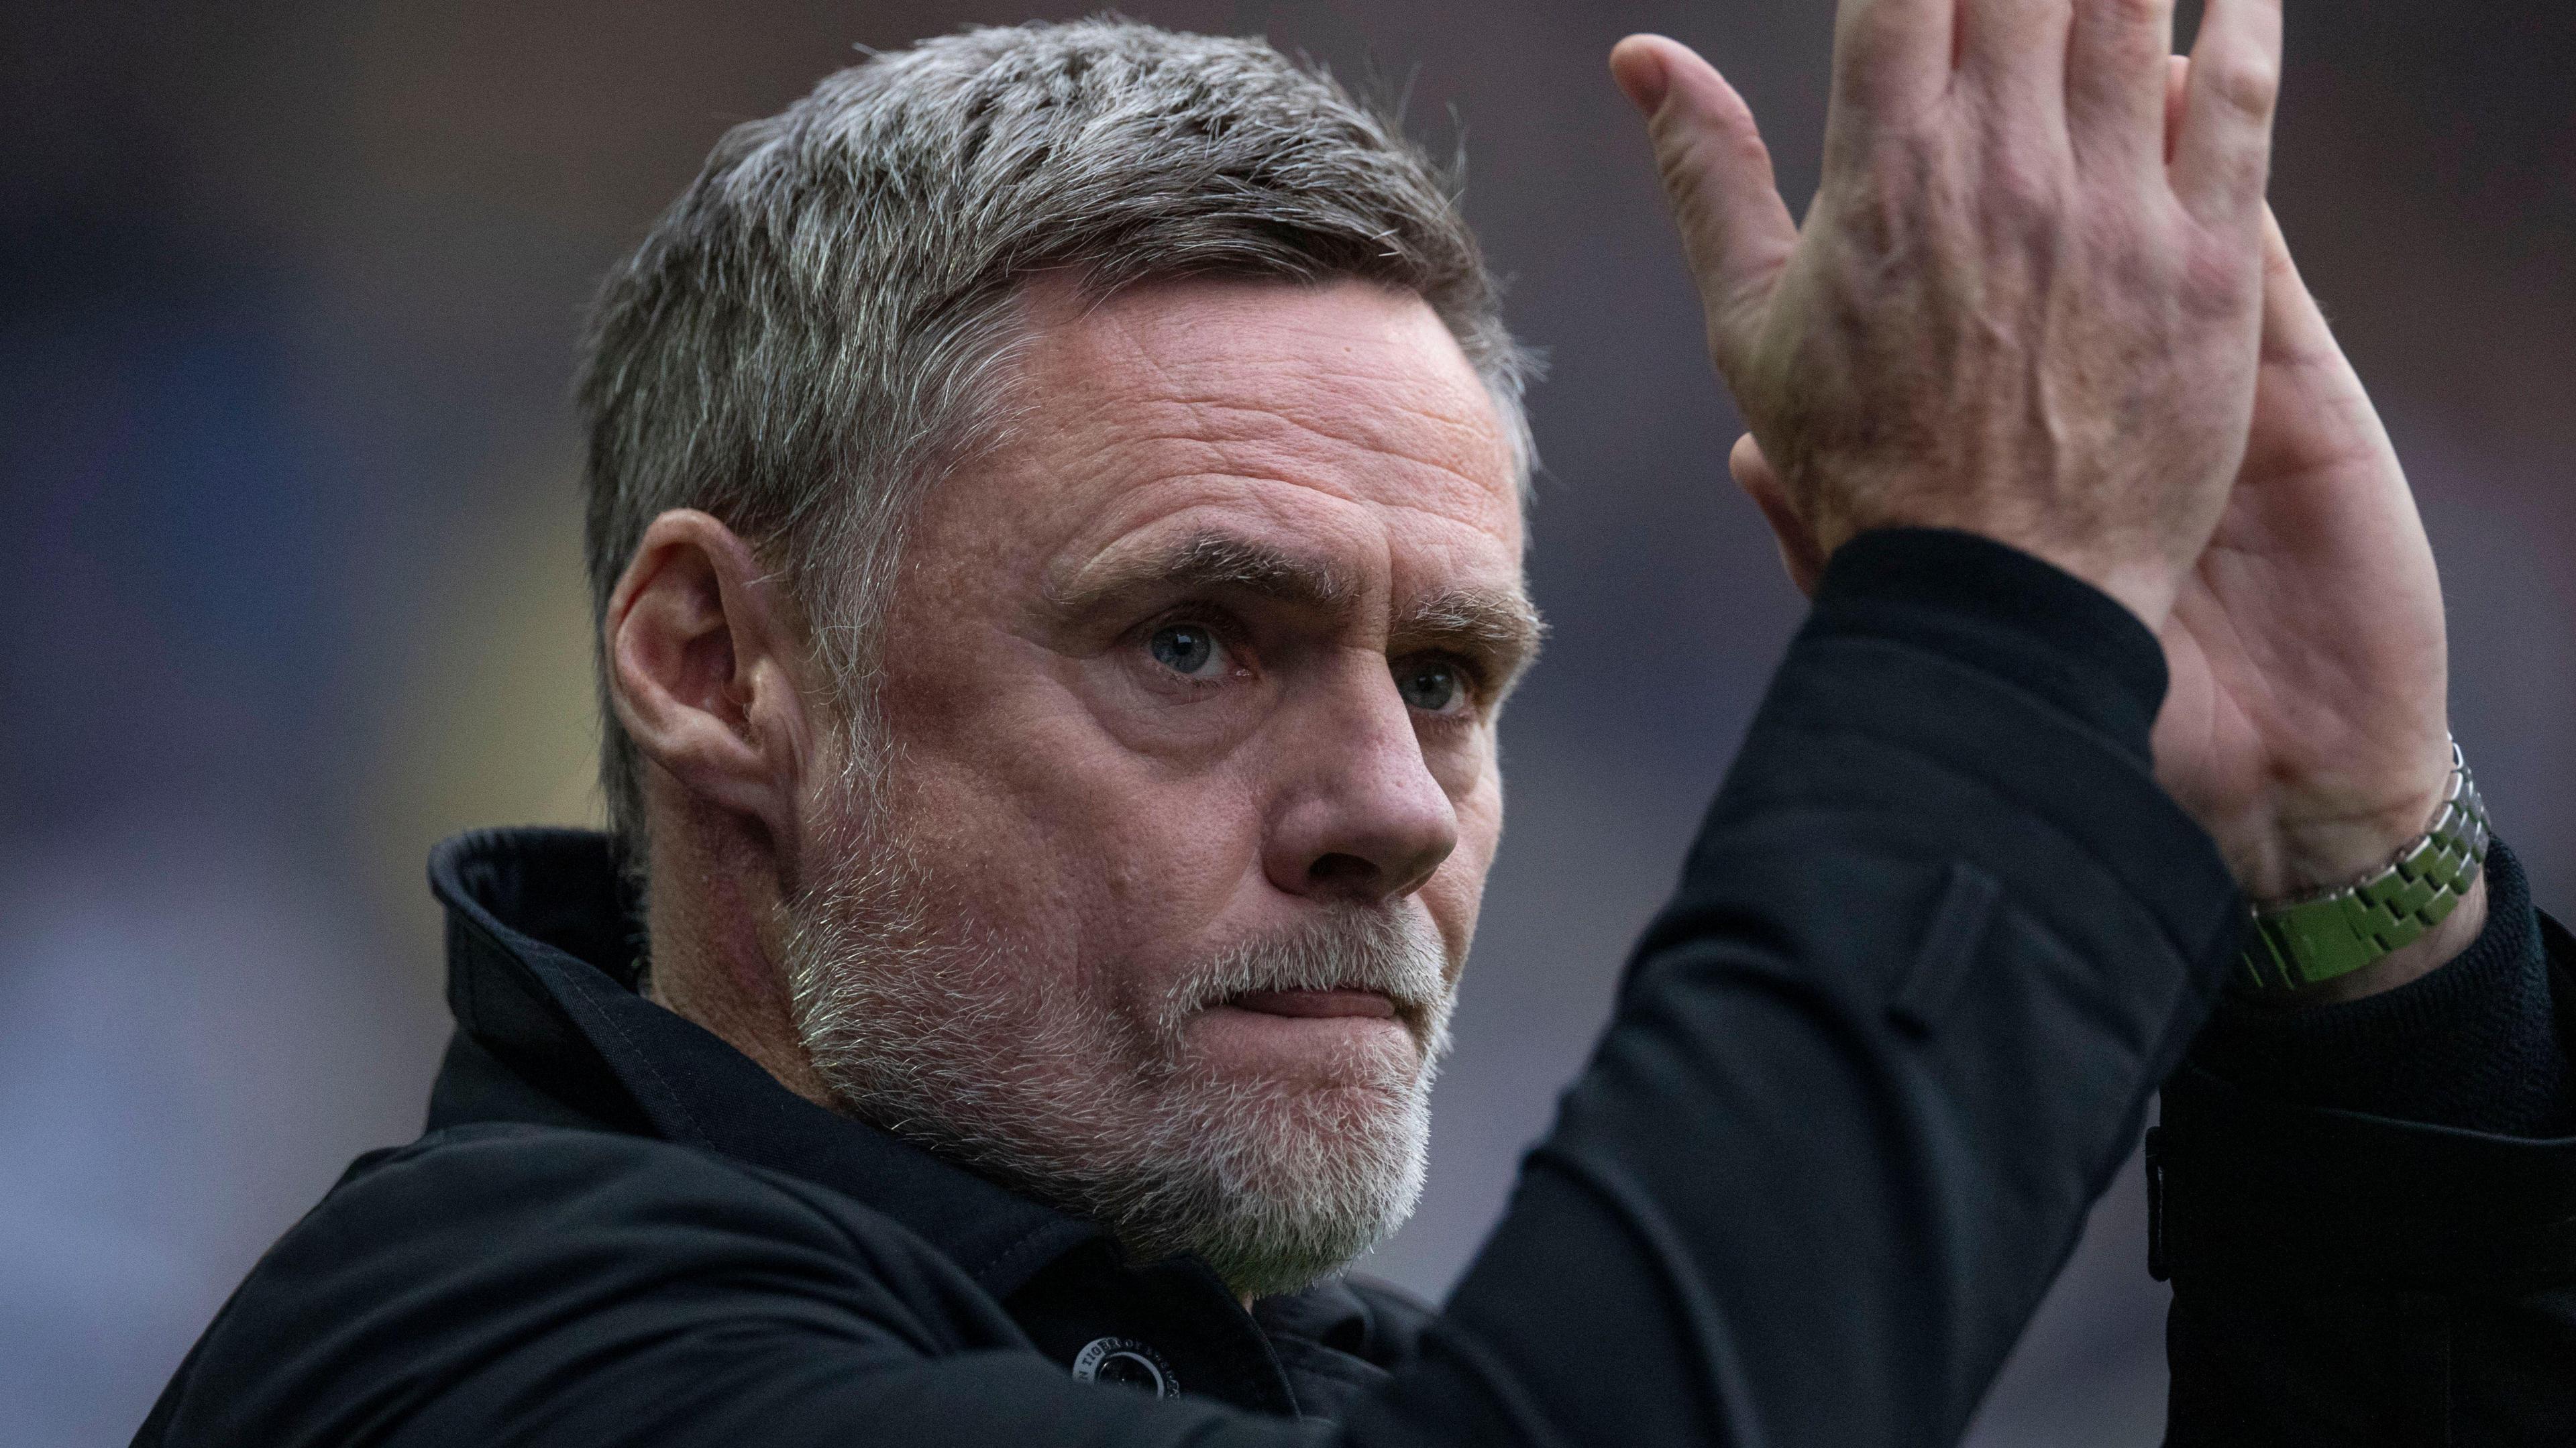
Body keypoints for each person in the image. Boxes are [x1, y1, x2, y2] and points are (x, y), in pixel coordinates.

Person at [138, 9, 2575, 1445]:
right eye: (1196, 639)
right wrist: (2001, 629)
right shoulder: (478, 1359)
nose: (1395, 812)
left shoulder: (1306, 1386)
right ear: (715, 669)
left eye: (1449, 676)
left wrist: (2361, 905)